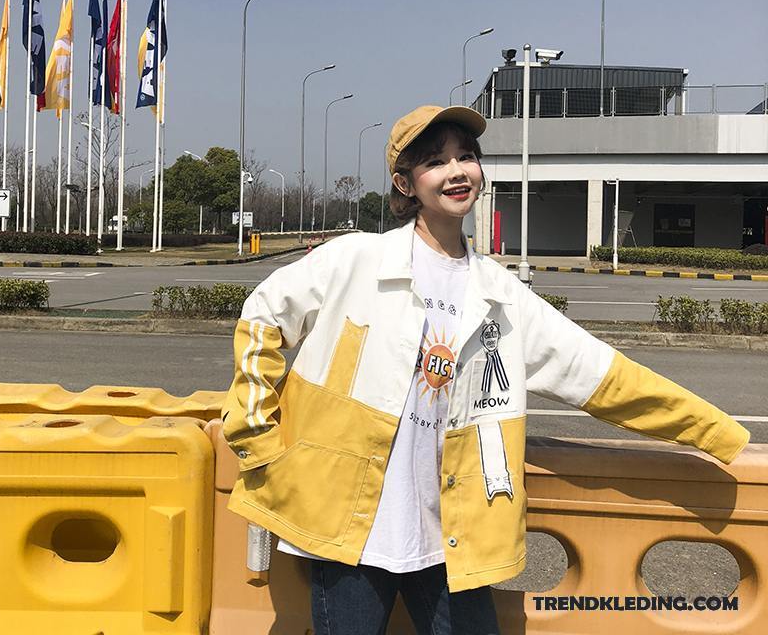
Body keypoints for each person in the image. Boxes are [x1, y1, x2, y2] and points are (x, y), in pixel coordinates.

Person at [222, 104, 750, 635]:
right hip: (343, 521)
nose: (456, 171)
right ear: (406, 183)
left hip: (452, 528)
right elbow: (263, 318)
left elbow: (604, 377)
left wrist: (718, 433)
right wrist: (254, 435)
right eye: (435, 162)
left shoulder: (503, 297)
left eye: (466, 157)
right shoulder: (355, 260)